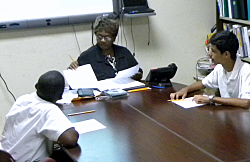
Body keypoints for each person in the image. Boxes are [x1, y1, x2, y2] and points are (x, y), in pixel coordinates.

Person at [1, 70, 79, 162]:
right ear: (60, 96)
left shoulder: (23, 99)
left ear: (36, 86)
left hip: (5, 156)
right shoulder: (49, 110)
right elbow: (70, 139)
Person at [170, 30, 250, 109]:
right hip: (229, 115)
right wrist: (185, 90)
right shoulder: (220, 68)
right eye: (209, 49)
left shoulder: (246, 70)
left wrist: (211, 99)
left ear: (226, 54)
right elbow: (203, 83)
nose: (209, 54)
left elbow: (246, 102)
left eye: (213, 51)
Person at [68, 16, 142, 81]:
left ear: (114, 38)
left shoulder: (124, 52)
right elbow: (76, 80)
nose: (103, 40)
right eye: (99, 37)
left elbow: (138, 72)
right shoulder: (86, 56)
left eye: (107, 37)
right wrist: (72, 69)